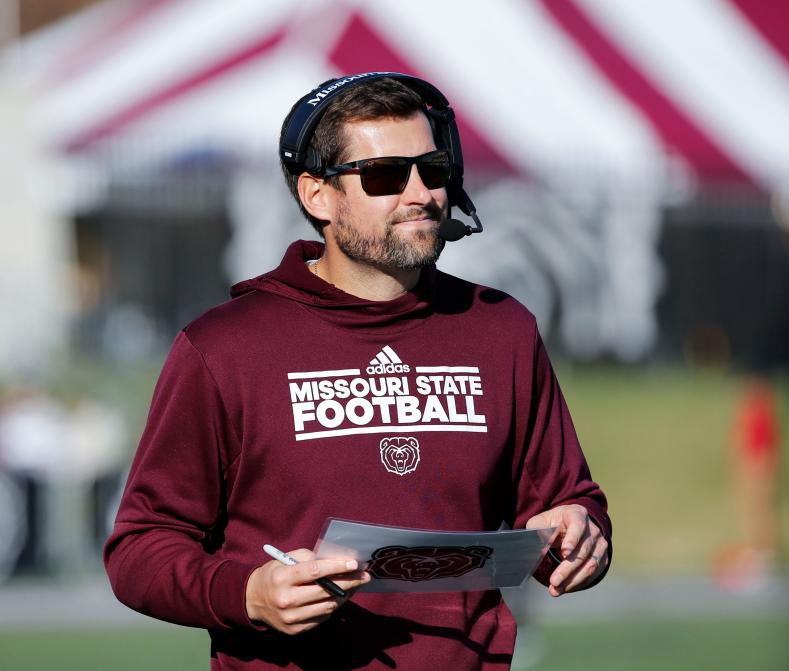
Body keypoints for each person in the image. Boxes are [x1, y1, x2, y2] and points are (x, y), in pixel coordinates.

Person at [104, 73, 612, 670]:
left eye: (434, 169)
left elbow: (569, 502)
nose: (421, 192)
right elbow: (140, 548)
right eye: (386, 176)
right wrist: (246, 594)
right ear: (317, 194)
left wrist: (581, 536)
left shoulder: (501, 329)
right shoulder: (224, 347)